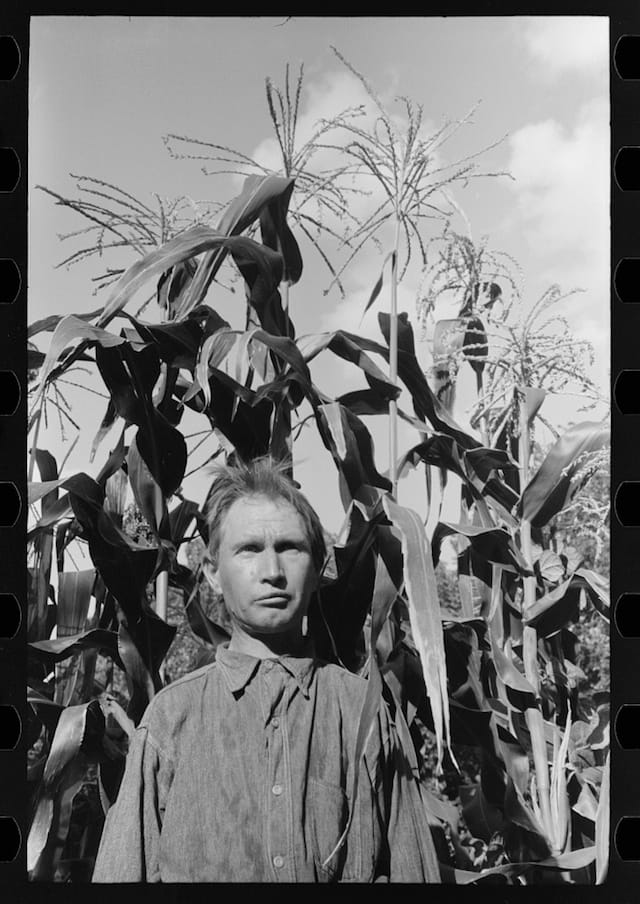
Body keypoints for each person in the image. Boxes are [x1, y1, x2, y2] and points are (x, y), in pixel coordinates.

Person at [92, 456, 441, 883]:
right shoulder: (170, 721)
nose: (272, 572)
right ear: (213, 573)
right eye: (249, 549)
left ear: (316, 571)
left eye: (289, 549)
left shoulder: (364, 717)